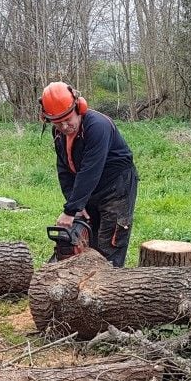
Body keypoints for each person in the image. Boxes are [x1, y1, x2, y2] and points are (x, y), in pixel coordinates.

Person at [41, 82, 139, 268]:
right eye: (57, 122)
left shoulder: (97, 126)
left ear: (79, 108)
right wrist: (75, 204)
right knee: (89, 238)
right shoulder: (58, 132)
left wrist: (70, 210)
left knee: (110, 242)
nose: (64, 126)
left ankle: (110, 288)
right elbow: (64, 168)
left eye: (68, 119)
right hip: (89, 189)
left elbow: (90, 169)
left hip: (116, 187)